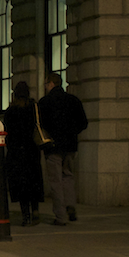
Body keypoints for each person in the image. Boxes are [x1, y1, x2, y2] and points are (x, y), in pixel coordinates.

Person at [38, 72, 88, 226]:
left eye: (46, 84)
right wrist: (72, 133)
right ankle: (71, 206)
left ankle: (60, 216)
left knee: (55, 181)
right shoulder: (73, 100)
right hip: (70, 145)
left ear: (51, 84)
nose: (45, 87)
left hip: (53, 146)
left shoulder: (45, 102)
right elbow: (83, 123)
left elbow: (41, 125)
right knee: (68, 176)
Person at [3, 81, 44, 226]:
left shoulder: (10, 111)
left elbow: (7, 134)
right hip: (32, 151)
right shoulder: (34, 108)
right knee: (33, 181)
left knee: (21, 185)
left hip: (16, 153)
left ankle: (25, 214)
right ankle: (36, 211)